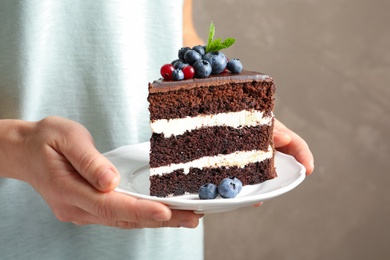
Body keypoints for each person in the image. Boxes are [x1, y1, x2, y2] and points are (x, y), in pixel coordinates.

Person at [0, 0, 314, 259]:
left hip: (169, 233)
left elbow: (174, 29)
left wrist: (239, 121)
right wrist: (15, 147)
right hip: (20, 228)